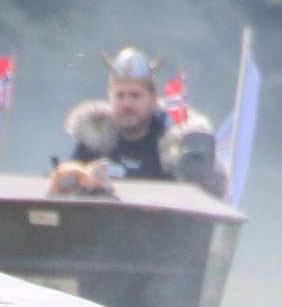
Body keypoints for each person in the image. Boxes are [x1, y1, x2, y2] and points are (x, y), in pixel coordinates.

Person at [59, 46, 226, 197]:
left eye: (135, 95)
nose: (127, 104)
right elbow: (63, 188)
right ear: (110, 97)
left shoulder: (176, 142)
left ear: (153, 99)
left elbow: (210, 194)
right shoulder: (94, 138)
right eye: (120, 96)